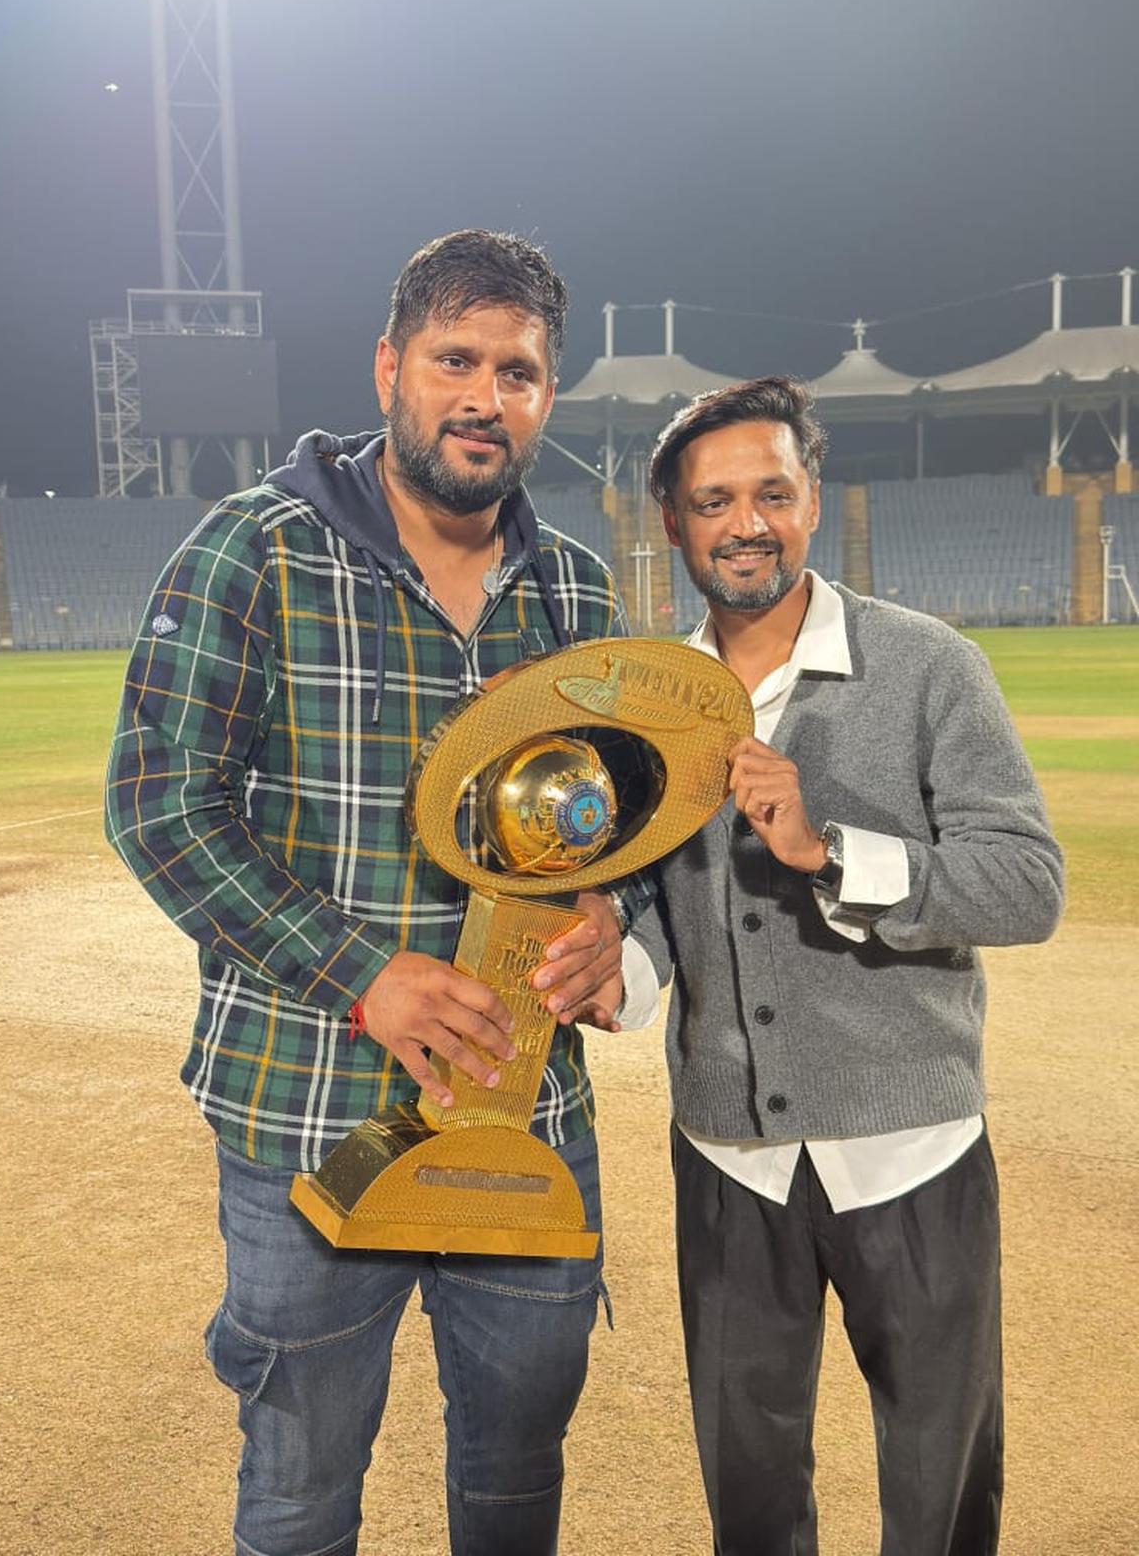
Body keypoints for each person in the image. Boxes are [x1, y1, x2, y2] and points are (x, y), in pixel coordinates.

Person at [105, 229, 632, 1556]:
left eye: (516, 371)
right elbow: (160, 806)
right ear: (392, 367)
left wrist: (609, 924)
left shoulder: (575, 586)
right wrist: (361, 972)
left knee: (517, 1474)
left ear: (545, 397)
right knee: (300, 1490)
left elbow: (607, 828)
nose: (483, 395)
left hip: (523, 1109)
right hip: (309, 1111)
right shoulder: (256, 551)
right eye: (456, 358)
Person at [605, 377, 1064, 1555]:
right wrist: (622, 972)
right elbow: (655, 900)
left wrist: (827, 851)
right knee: (749, 1497)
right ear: (674, 521)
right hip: (727, 1156)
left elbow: (1025, 885)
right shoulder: (648, 704)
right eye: (714, 500)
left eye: (772, 491)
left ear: (813, 500)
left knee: (942, 1494)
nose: (745, 521)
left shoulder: (929, 665)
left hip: (911, 1150)